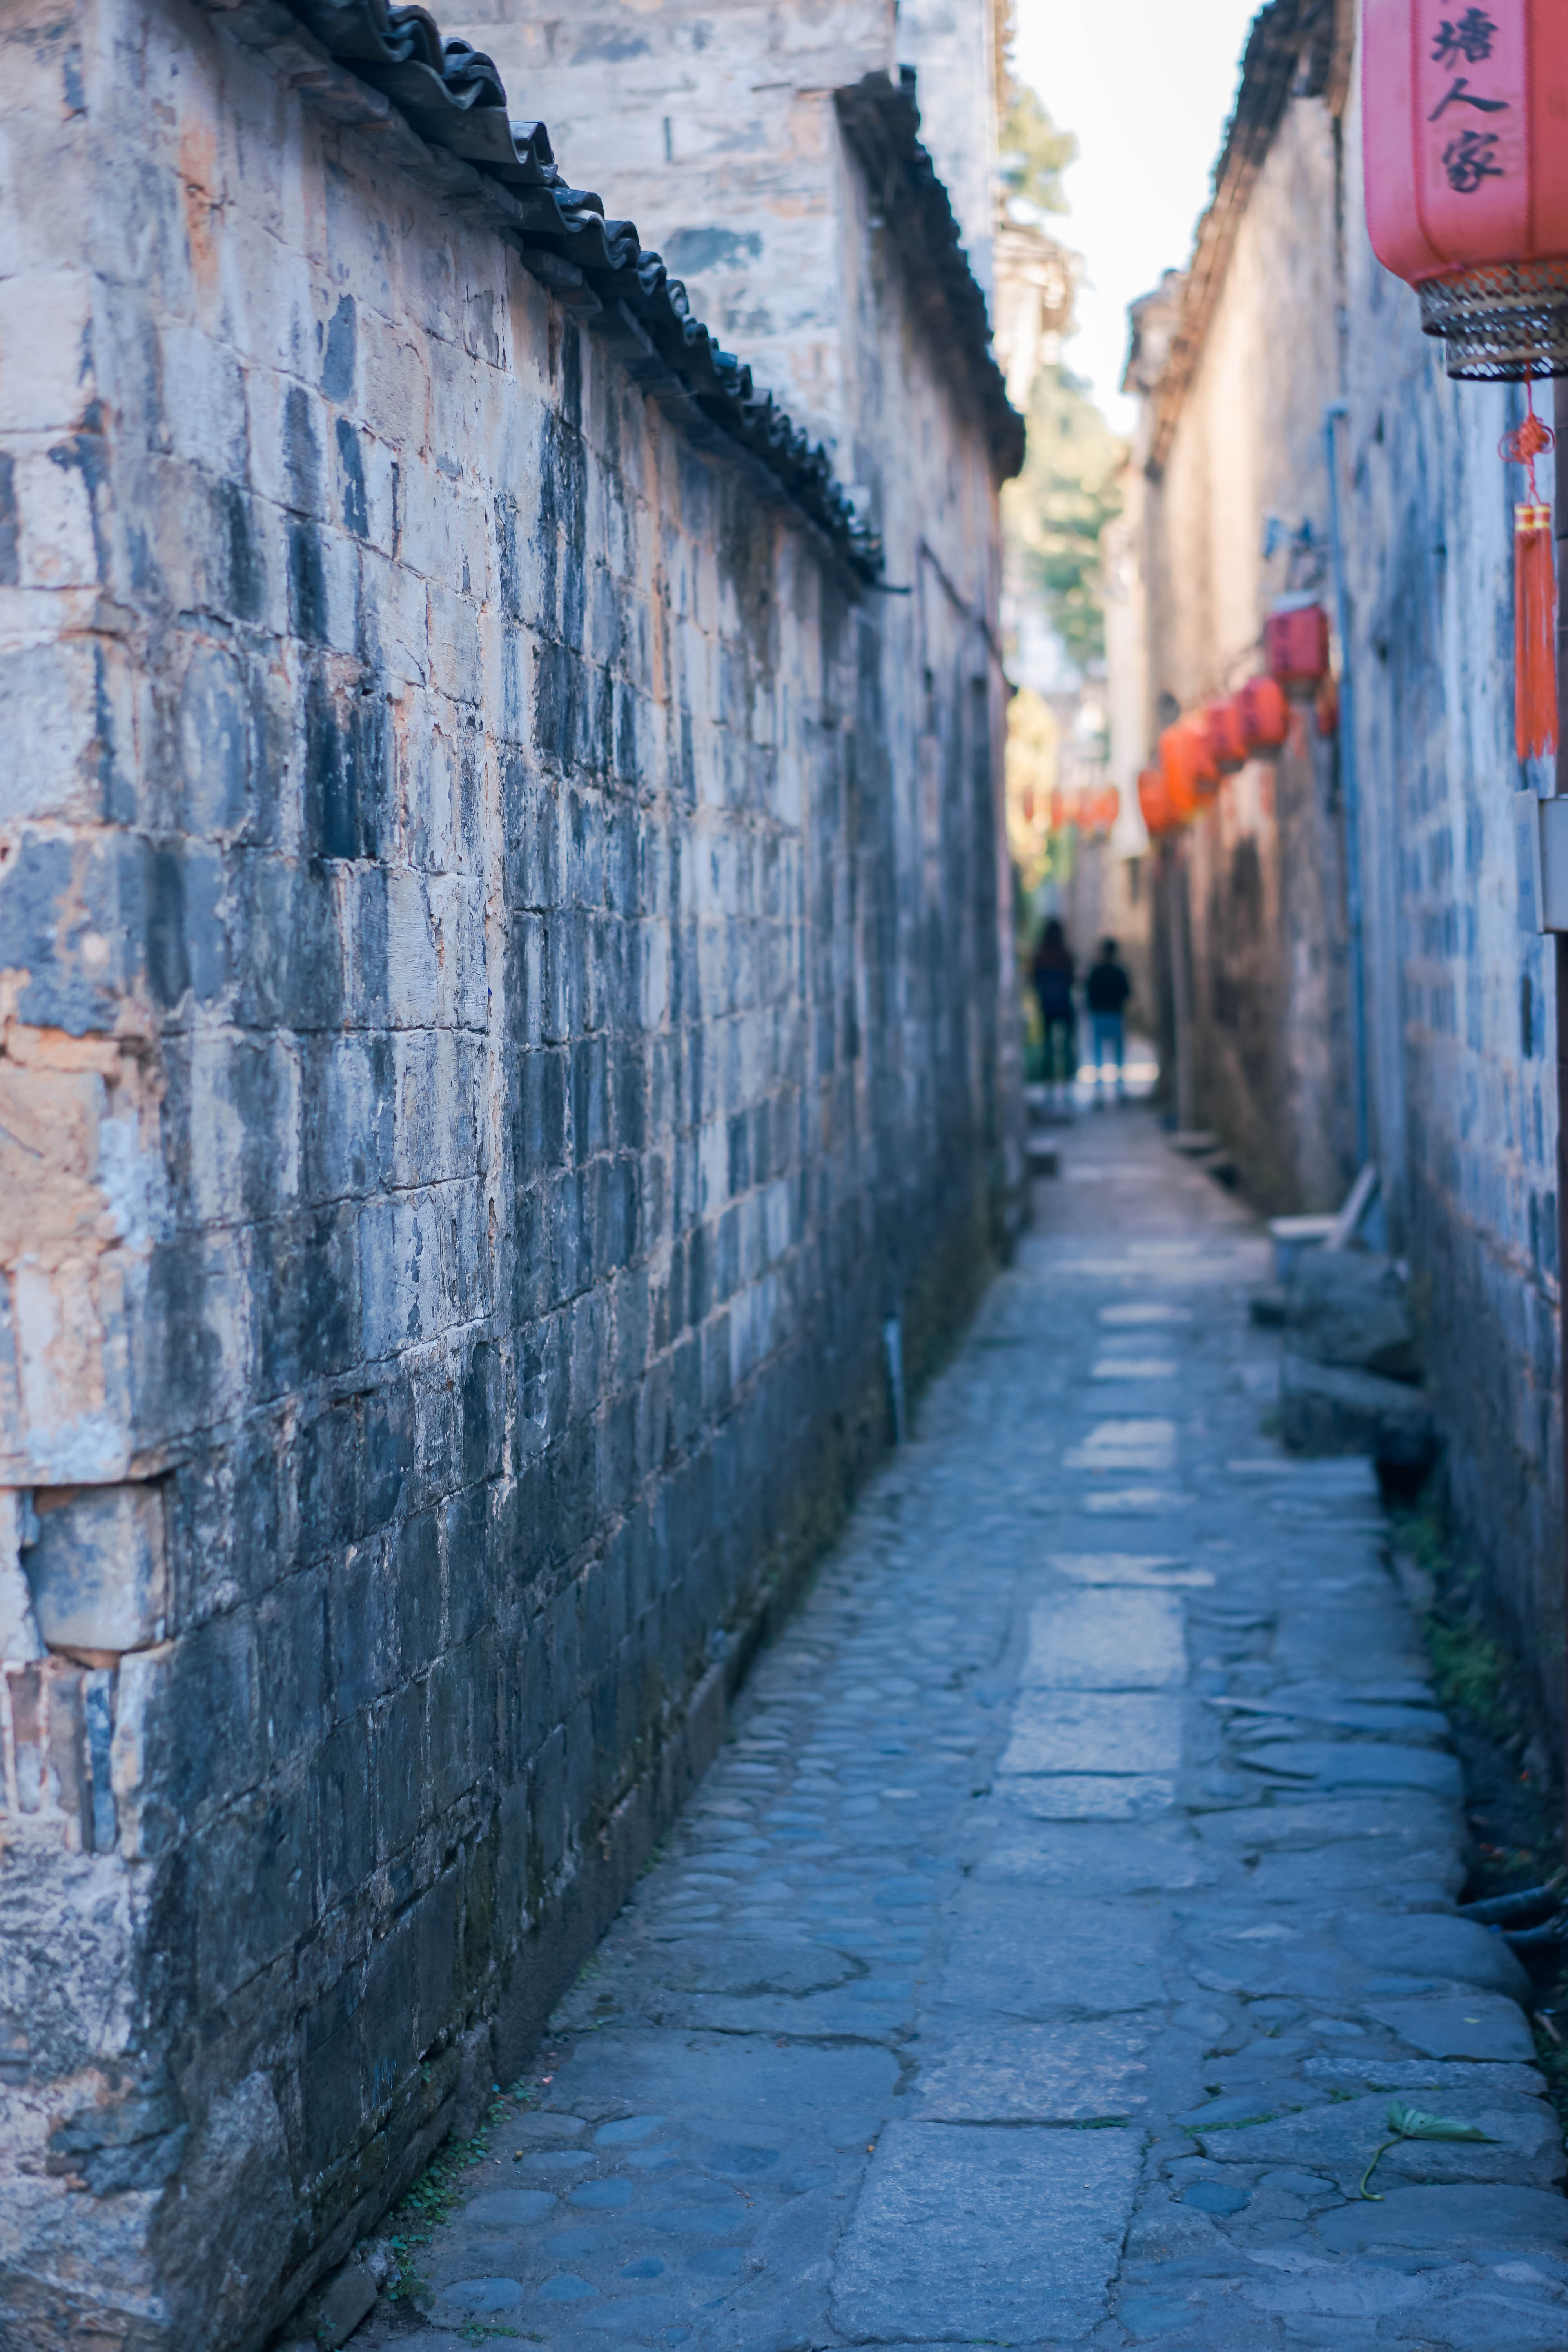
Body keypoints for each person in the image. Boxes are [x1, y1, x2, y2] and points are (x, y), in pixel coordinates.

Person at [1031, 918, 1076, 1100]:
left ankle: (1049, 1085)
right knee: (1066, 1047)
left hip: (1047, 1007)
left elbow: (1034, 981)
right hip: (1064, 1006)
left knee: (1048, 1048)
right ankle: (1067, 1085)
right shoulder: (1066, 956)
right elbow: (1072, 980)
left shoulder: (1041, 957)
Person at [1085, 938, 1132, 1097]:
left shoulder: (1096, 972)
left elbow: (1089, 994)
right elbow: (1127, 993)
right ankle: (1119, 1089)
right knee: (1118, 1055)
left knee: (1098, 1054)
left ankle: (1099, 1091)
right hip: (1115, 1015)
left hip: (1099, 1016)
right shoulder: (1119, 972)